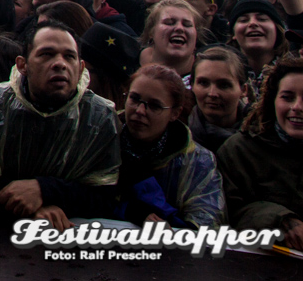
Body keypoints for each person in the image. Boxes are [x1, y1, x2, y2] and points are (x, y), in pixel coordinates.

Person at [0, 21, 120, 230]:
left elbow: (105, 194)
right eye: (46, 54)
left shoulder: (99, 117)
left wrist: (45, 191)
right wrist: (27, 206)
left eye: (69, 56)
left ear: (81, 67)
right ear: (23, 65)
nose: (60, 63)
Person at [115, 65, 224, 228]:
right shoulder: (103, 138)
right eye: (134, 99)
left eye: (154, 106)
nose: (140, 111)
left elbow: (206, 221)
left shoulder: (198, 161)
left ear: (175, 113)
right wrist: (130, 210)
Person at [217, 56, 303, 250]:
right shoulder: (239, 151)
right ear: (272, 100)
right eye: (287, 97)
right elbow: (228, 212)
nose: (297, 107)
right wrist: (281, 221)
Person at [188, 46, 247, 153]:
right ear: (192, 86)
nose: (212, 94)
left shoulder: (262, 137)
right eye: (203, 83)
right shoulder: (177, 138)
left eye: (224, 85)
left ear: (243, 90)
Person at [138, 0, 202, 86]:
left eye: (187, 25)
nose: (179, 28)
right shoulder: (127, 65)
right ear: (151, 32)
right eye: (169, 23)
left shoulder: (206, 76)